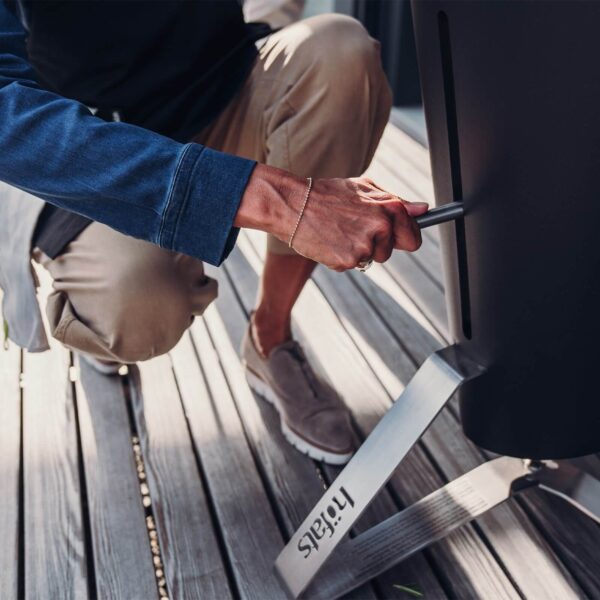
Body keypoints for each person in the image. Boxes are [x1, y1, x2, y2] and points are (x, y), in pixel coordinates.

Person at [0, 0, 428, 465]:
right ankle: (96, 288)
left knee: (341, 51)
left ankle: (270, 336)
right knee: (135, 310)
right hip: (94, 139)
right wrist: (274, 202)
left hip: (222, 85)